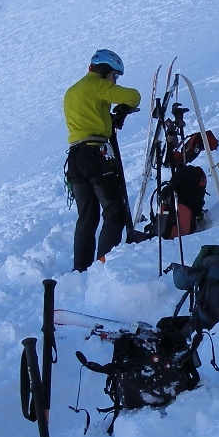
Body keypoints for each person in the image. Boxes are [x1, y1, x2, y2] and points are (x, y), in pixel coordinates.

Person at [64, 49, 141, 272]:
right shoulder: (97, 86)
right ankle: (104, 268)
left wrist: (108, 118)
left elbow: (90, 115)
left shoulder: (71, 92)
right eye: (114, 75)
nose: (114, 80)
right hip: (95, 156)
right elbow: (133, 96)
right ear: (105, 70)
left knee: (87, 218)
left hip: (75, 158)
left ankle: (81, 270)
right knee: (114, 212)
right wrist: (123, 108)